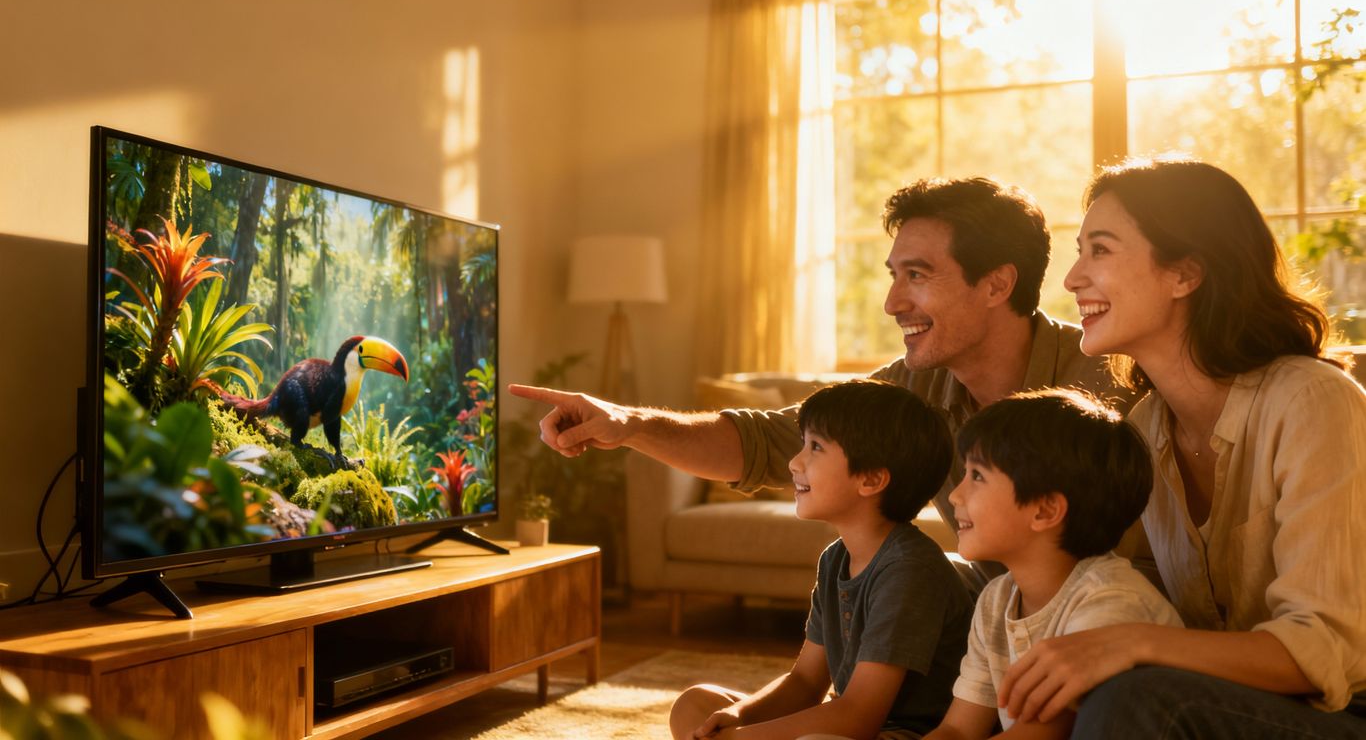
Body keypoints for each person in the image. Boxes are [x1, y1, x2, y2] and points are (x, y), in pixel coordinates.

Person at [510, 177, 1132, 581]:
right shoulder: (911, 390)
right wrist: (628, 423)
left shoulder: (1113, 380)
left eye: (917, 276)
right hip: (1001, 617)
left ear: (996, 284)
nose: (892, 304)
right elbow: (766, 442)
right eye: (894, 276)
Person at [997, 156, 1366, 738]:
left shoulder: (1313, 400)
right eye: (1078, 251)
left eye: (1100, 250)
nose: (1071, 279)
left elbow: (1323, 650)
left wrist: (1132, 643)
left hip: (1343, 711)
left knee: (1136, 699)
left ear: (1185, 274)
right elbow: (1100, 581)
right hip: (1218, 704)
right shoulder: (1146, 428)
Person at [669, 380, 973, 739]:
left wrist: (739, 738)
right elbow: (805, 682)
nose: (794, 462)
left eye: (815, 447)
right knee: (695, 704)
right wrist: (736, 716)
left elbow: (859, 716)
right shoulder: (836, 558)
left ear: (871, 479)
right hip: (848, 721)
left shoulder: (910, 570)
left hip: (905, 733)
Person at [922, 389, 1183, 740]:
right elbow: (957, 730)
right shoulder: (996, 600)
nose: (955, 494)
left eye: (978, 476)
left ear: (1045, 511)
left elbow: (1042, 734)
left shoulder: (1111, 601)